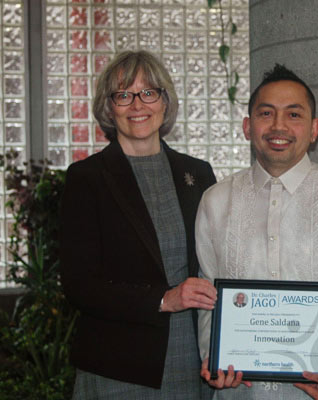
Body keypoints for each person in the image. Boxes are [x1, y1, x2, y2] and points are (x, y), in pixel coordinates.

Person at [195, 64, 318, 400]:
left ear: (314, 129)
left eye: (293, 114)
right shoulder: (216, 201)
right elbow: (210, 295)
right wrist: (215, 360)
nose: (278, 125)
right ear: (247, 126)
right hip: (240, 392)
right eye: (266, 113)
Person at [60, 50, 217, 399]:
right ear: (109, 107)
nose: (137, 105)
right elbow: (79, 285)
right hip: (119, 364)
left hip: (194, 358)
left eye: (148, 92)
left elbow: (217, 261)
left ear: (164, 102)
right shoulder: (87, 179)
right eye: (123, 95)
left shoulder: (199, 174)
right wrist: (163, 299)